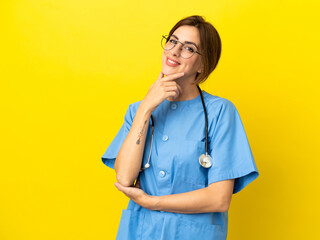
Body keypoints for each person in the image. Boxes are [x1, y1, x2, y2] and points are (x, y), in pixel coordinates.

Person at [101, 15, 259, 240]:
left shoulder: (220, 113)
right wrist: (146, 108)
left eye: (189, 48)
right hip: (141, 233)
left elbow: (219, 199)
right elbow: (125, 178)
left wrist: (152, 202)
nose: (174, 51)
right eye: (173, 41)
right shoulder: (138, 110)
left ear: (204, 64)